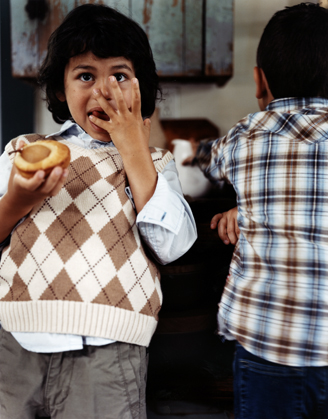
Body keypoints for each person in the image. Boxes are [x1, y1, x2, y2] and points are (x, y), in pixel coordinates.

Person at [0, 4, 197, 419]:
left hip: (111, 349)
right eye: (86, 75)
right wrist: (16, 201)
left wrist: (132, 149)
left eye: (119, 76)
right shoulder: (25, 150)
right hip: (15, 341)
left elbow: (172, 246)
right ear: (60, 89)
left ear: (139, 88)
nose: (104, 91)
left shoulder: (155, 162)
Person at [192, 3, 328, 418]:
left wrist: (243, 201)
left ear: (259, 80)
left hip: (267, 346)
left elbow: (203, 163)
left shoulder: (244, 137)